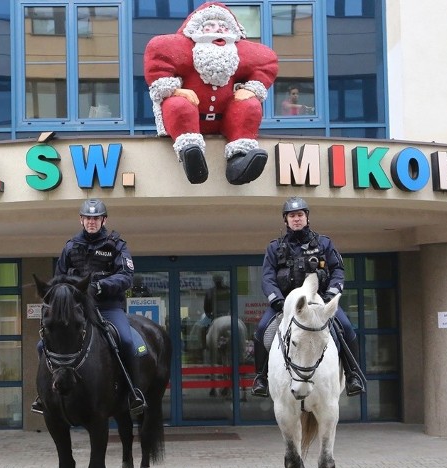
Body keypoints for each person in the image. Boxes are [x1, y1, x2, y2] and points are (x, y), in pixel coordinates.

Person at [31, 198, 146, 415]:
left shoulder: (117, 245)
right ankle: (43, 393)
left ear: (104, 220)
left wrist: (101, 286)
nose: (91, 222)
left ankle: (133, 392)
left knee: (128, 341)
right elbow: (59, 280)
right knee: (41, 345)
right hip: (78, 309)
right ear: (81, 220)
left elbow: (126, 277)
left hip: (109, 306)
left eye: (96, 218)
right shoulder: (71, 247)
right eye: (87, 218)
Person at [144, 2, 279, 185]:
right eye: (211, 27)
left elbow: (267, 62)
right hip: (192, 117)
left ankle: (239, 159)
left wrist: (250, 88)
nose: (219, 32)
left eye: (224, 27)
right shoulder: (182, 50)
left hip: (225, 119)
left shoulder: (240, 54)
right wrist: (175, 90)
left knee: (250, 104)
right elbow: (158, 65)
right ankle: (191, 155)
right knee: (177, 104)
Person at [251, 197, 366, 398]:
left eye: (300, 215)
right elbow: (267, 277)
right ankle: (260, 378)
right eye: (292, 216)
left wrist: (332, 294)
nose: (296, 219)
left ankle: (352, 375)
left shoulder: (324, 243)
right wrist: (275, 299)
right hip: (285, 304)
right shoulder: (274, 248)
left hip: (319, 302)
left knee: (346, 327)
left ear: (307, 218)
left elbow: (337, 269)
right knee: (262, 330)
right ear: (285, 220)